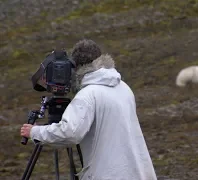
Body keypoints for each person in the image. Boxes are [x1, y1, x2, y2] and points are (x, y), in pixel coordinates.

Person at [20, 39, 157, 180]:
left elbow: (70, 133)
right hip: (138, 171)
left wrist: (35, 132)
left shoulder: (87, 95)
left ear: (76, 67)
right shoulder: (123, 87)